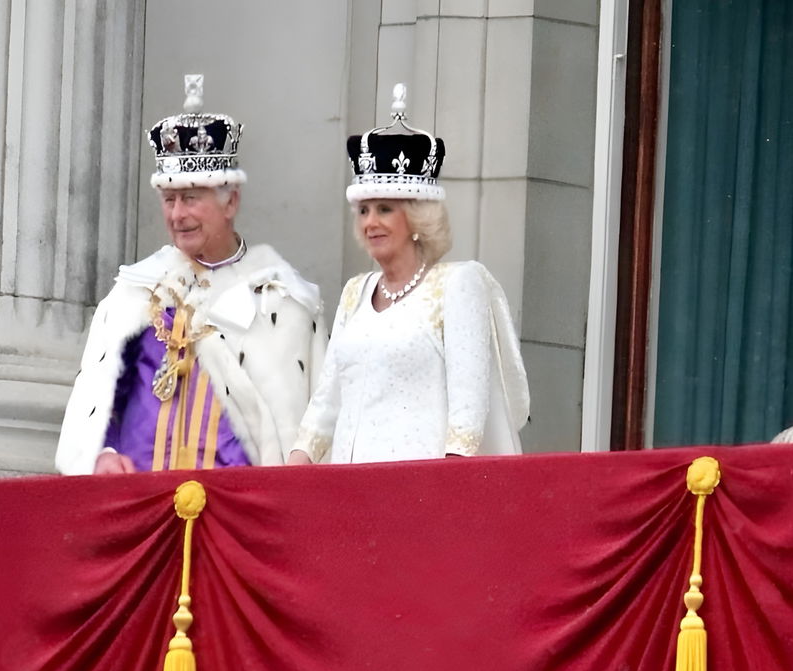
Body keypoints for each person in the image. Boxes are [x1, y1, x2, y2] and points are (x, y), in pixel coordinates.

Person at [56, 75, 326, 475]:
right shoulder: (135, 294)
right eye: (169, 200)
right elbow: (101, 402)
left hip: (235, 512)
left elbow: (305, 430)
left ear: (230, 200)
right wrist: (104, 452)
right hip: (144, 507)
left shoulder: (281, 301)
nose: (177, 215)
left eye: (191, 199)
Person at [288, 84, 529, 465]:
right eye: (364, 210)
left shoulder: (457, 284)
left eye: (384, 209)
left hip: (417, 493)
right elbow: (327, 401)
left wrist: (443, 494)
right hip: (347, 490)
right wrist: (294, 467)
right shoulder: (355, 291)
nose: (370, 222)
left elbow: (468, 415)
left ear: (418, 217)